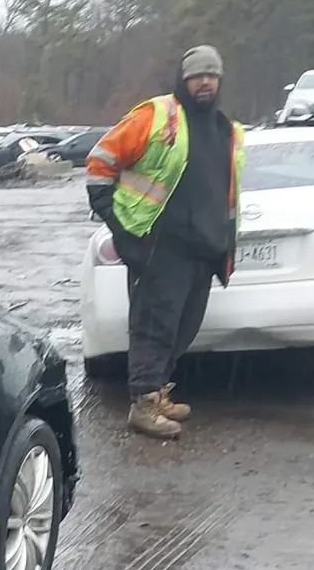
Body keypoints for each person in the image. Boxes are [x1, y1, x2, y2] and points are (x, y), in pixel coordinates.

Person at [85, 46, 245, 440]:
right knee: (153, 328)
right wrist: (120, 227)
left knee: (183, 329)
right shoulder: (157, 116)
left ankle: (158, 392)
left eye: (211, 75)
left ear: (220, 80)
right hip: (160, 246)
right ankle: (143, 405)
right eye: (196, 76)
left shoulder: (227, 130)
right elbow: (100, 161)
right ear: (183, 79)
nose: (204, 82)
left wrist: (223, 243)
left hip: (203, 249)